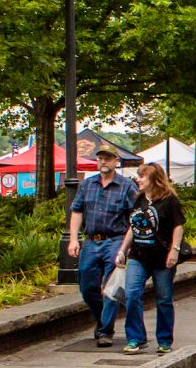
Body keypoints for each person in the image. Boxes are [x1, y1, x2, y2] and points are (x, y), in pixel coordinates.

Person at [65, 143, 135, 345]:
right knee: (87, 286)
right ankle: (101, 319)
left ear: (116, 161)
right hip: (91, 241)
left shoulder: (126, 186)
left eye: (108, 158)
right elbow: (77, 211)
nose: (103, 162)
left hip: (115, 240)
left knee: (111, 287)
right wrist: (73, 238)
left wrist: (125, 247)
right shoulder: (88, 184)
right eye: (100, 158)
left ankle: (105, 331)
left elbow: (134, 217)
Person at [121, 162, 186, 356]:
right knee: (131, 294)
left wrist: (174, 250)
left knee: (164, 299)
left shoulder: (169, 200)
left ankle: (164, 340)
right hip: (138, 255)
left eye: (142, 176)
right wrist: (122, 250)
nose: (138, 179)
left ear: (154, 180)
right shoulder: (138, 200)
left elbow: (178, 226)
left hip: (162, 257)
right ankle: (135, 338)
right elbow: (133, 227)